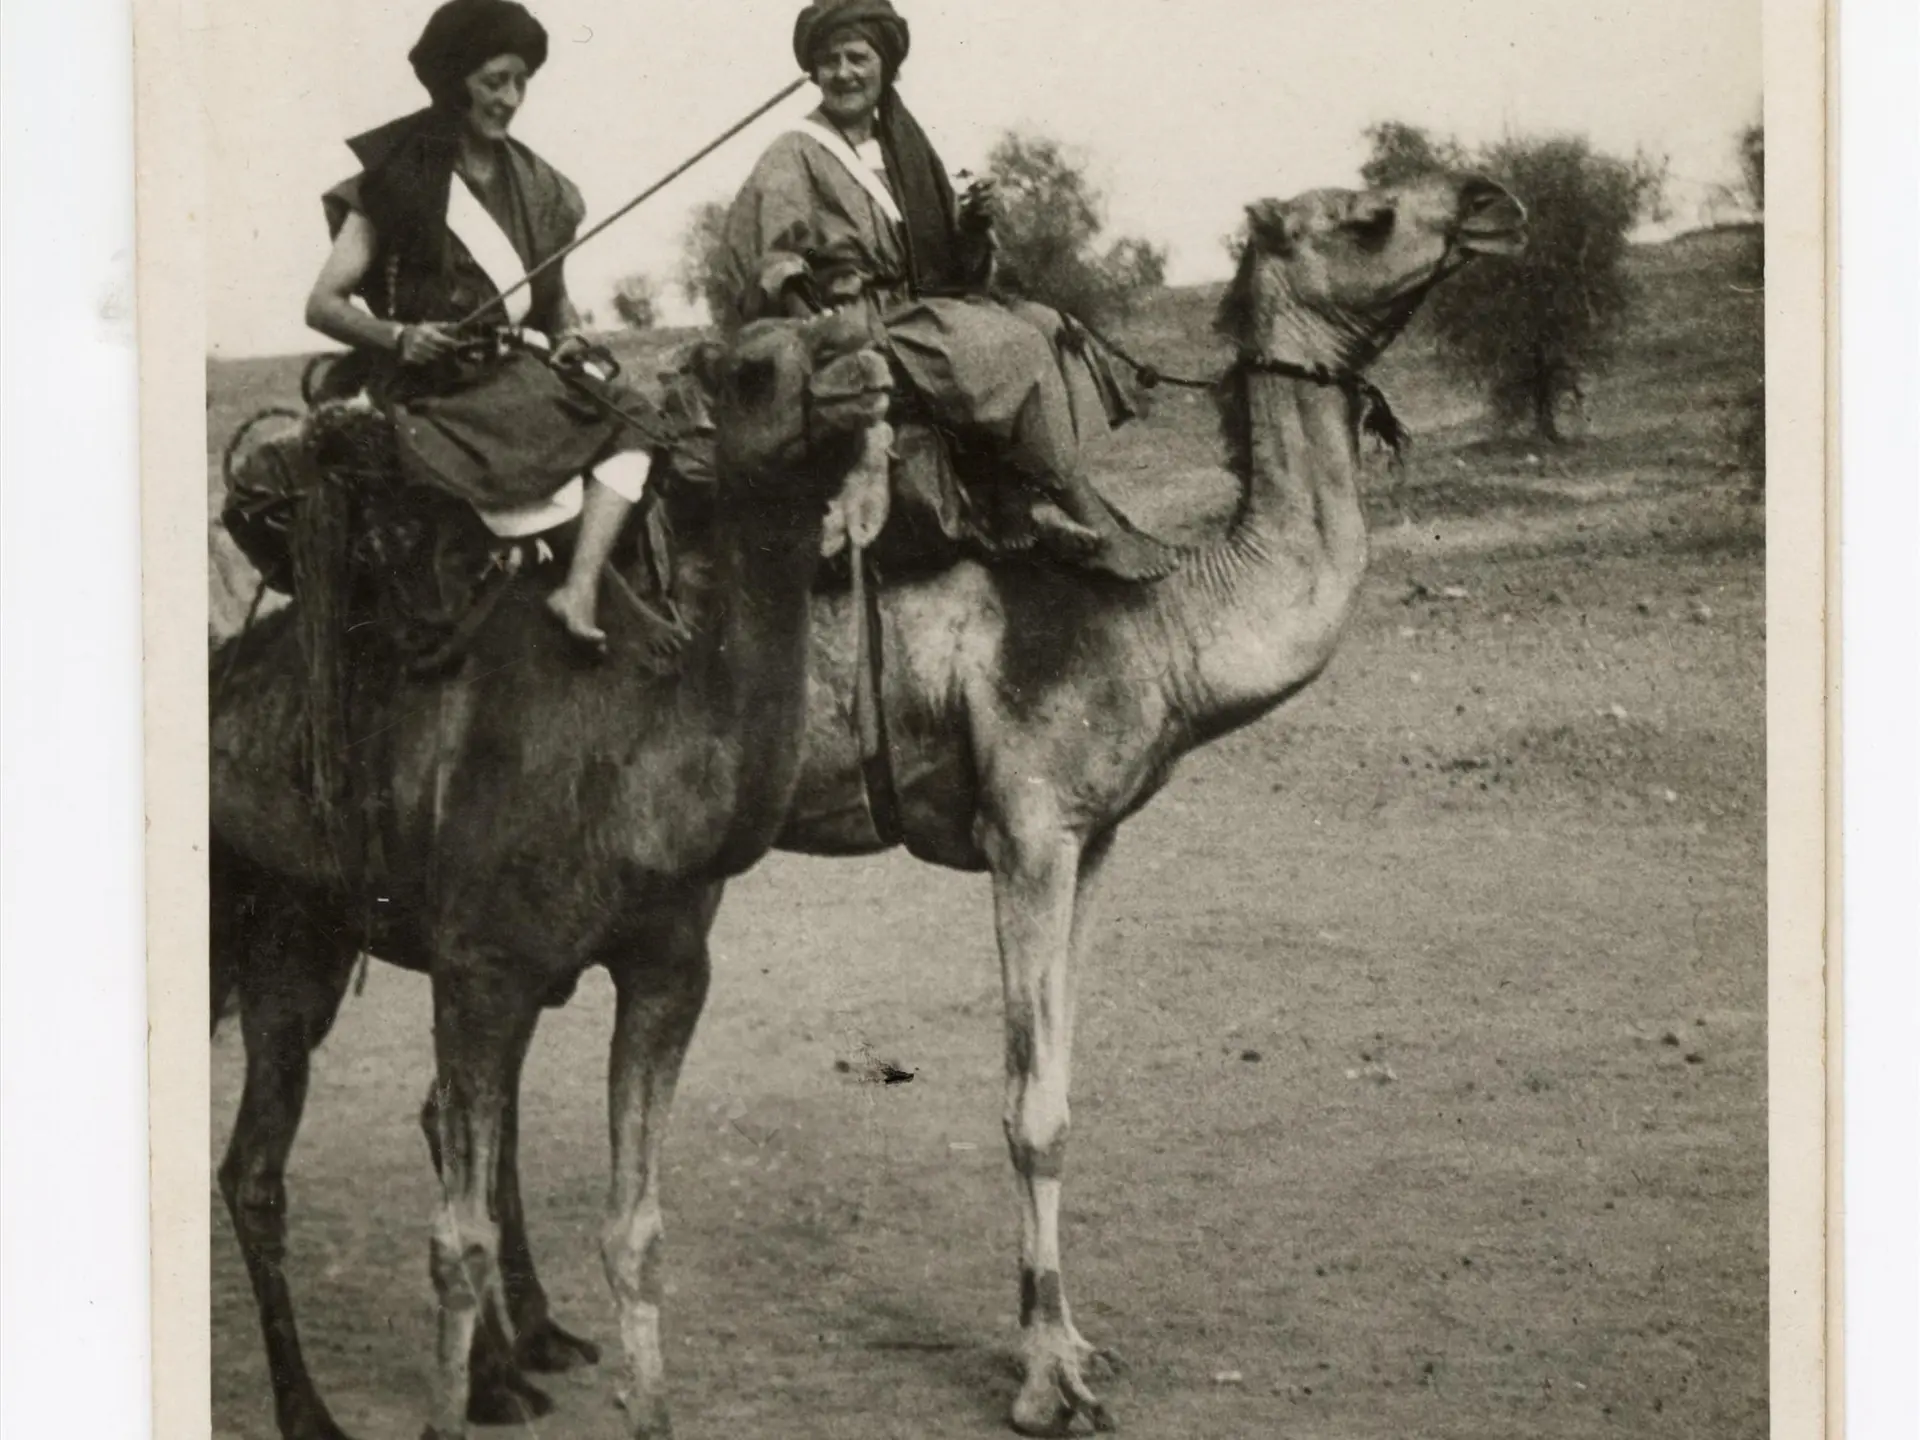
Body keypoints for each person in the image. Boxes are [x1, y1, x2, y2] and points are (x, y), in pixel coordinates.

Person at [717, 0, 1175, 579]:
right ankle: (1090, 519)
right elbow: (772, 253)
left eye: (857, 57)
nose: (844, 73)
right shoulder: (795, 151)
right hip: (855, 319)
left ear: (885, 66)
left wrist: (973, 228)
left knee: (1047, 325)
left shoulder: (902, 148)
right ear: (812, 71)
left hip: (917, 308)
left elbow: (953, 268)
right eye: (828, 61)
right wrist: (815, 322)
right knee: (1009, 350)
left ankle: (1026, 497)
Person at [306, 0, 648, 649]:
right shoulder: (394, 177)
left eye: (521, 81)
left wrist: (570, 337)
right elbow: (323, 304)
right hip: (438, 386)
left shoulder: (539, 185)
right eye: (496, 80)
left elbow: (554, 302)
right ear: (455, 78)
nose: (511, 98)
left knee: (635, 419)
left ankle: (578, 587)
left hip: (521, 373)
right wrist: (401, 337)